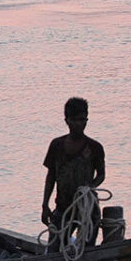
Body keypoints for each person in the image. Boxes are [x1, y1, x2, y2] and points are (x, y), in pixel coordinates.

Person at [41, 97, 105, 252]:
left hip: (87, 207)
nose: (79, 124)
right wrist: (45, 205)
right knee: (54, 250)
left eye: (83, 120)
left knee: (88, 249)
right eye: (75, 120)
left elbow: (101, 175)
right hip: (63, 206)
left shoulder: (94, 147)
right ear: (67, 121)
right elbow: (51, 176)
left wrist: (90, 188)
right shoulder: (57, 145)